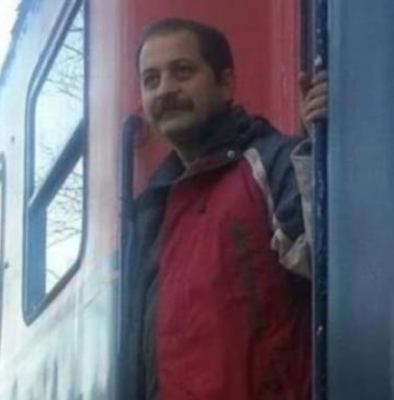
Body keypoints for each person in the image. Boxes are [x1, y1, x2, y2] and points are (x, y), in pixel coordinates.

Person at [122, 18, 327, 400]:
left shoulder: (273, 164)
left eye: (182, 71)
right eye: (151, 79)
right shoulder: (152, 212)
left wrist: (329, 148)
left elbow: (335, 265)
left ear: (225, 84)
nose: (165, 89)